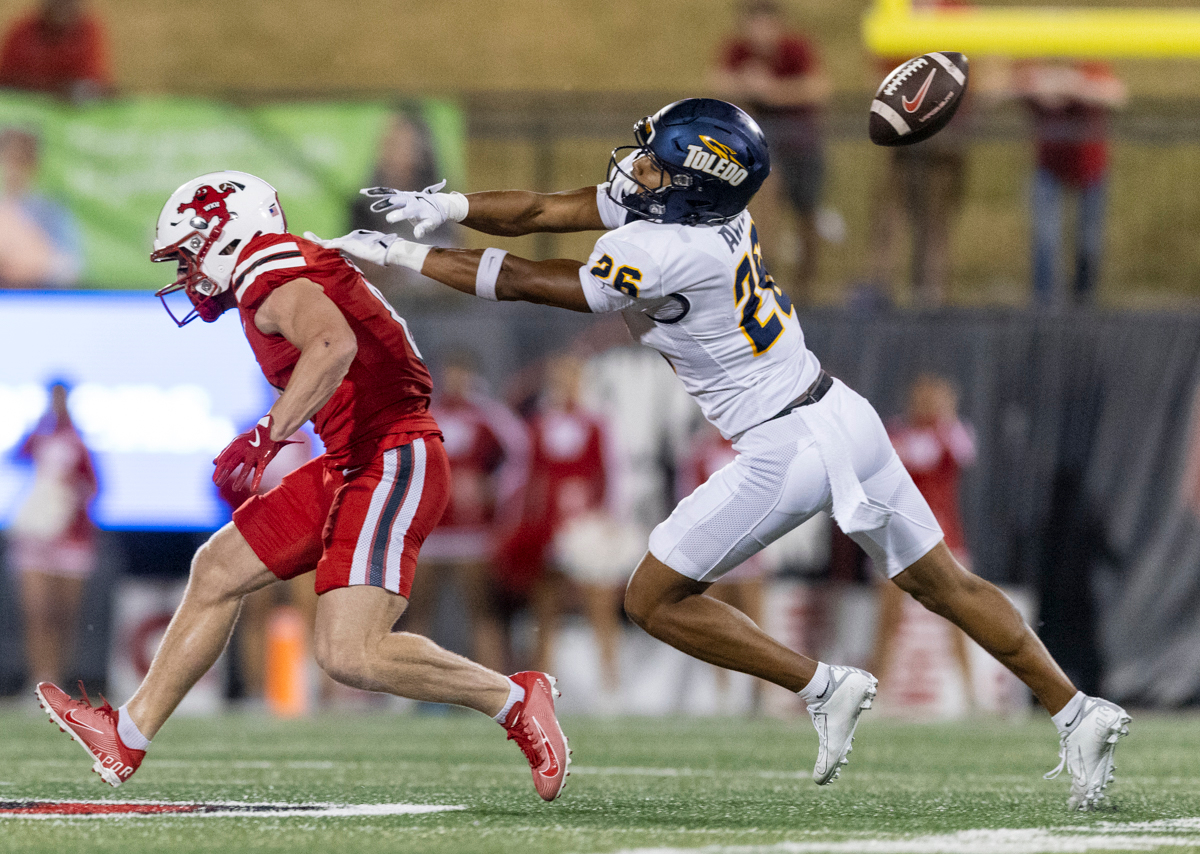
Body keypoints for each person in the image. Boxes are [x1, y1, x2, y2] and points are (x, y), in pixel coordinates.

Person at [311, 97, 1130, 810]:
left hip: (785, 444)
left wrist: (408, 256)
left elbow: (532, 278)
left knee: (654, 598)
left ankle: (823, 686)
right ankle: (1077, 709)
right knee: (943, 582)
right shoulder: (703, 213)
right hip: (841, 411)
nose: (637, 169)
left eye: (657, 162)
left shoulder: (669, 249)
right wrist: (446, 201)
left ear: (692, 180)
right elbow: (545, 207)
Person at [34, 171, 569, 802]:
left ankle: (513, 699)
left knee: (350, 653)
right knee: (217, 568)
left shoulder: (266, 267)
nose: (185, 274)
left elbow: (330, 342)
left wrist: (269, 434)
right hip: (353, 457)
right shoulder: (273, 266)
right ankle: (128, 732)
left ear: (225, 233)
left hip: (389, 454)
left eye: (187, 254)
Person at [404, 349, 529, 675]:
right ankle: (411, 687)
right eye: (451, 373)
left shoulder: (487, 415)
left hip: (472, 530)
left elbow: (522, 457)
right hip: (429, 530)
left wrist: (494, 492)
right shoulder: (425, 412)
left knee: (482, 611)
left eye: (462, 373)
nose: (456, 381)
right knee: (416, 609)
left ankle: (498, 686)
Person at [708, 0, 829, 305]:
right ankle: (763, 272)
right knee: (765, 197)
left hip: (801, 147)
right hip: (761, 150)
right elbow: (716, 83)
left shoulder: (795, 49)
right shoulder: (737, 51)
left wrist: (773, 91)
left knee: (807, 218)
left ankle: (807, 287)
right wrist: (746, 86)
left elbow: (818, 86)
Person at [872, 374, 977, 709]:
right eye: (922, 397)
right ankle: (879, 690)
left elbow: (962, 454)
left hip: (944, 538)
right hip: (898, 535)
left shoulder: (953, 432)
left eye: (935, 397)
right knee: (888, 617)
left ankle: (970, 692)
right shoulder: (894, 433)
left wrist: (945, 416)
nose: (927, 403)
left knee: (958, 615)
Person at [8, 379, 97, 689]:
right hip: (36, 536)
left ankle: (57, 678)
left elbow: (95, 487)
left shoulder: (80, 443)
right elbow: (16, 456)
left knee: (63, 615)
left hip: (71, 538)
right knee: (37, 612)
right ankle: (39, 679)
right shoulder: (40, 437)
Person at [1015, 60, 1126, 307]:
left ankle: (1083, 306)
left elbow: (1117, 95)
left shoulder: (1090, 62)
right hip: (1049, 166)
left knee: (1089, 242)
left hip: (1090, 167)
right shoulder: (1036, 59)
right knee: (1046, 242)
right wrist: (1041, 89)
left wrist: (1074, 87)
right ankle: (1045, 309)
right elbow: (1004, 87)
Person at [0, 127, 83, 287]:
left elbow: (71, 268)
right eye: (8, 159)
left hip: (39, 299)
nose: (14, 169)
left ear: (34, 164)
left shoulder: (50, 210)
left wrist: (29, 263)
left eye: (21, 160)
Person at [0, 0, 111, 101]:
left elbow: (90, 84)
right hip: (24, 106)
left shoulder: (88, 34)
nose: (61, 8)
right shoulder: (23, 32)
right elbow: (6, 80)